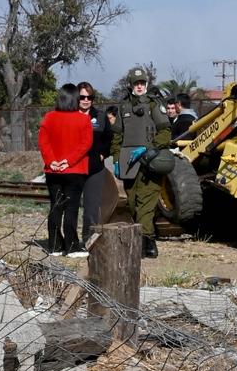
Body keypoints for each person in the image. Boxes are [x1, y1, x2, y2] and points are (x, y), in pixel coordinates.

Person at [111, 66, 171, 258]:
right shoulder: (123, 107)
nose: (139, 86)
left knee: (147, 201)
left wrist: (151, 148)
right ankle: (143, 239)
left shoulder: (154, 104)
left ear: (146, 84)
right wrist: (116, 158)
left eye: (142, 83)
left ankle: (147, 242)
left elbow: (165, 132)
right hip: (129, 161)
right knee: (132, 201)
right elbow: (117, 136)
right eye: (136, 83)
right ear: (130, 85)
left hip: (149, 160)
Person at [37, 84, 94, 256]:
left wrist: (51, 161)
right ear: (76, 99)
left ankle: (54, 245)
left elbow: (43, 142)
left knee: (56, 207)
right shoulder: (83, 119)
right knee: (71, 208)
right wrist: (68, 162)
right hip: (75, 171)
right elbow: (86, 145)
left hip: (52, 171)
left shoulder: (49, 117)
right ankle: (71, 246)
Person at [75, 81, 112, 245]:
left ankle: (88, 240)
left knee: (91, 208)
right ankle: (70, 240)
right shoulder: (70, 116)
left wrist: (103, 153)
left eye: (89, 97)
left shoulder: (101, 116)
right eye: (82, 97)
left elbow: (109, 138)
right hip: (74, 168)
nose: (85, 100)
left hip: (94, 169)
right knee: (71, 207)